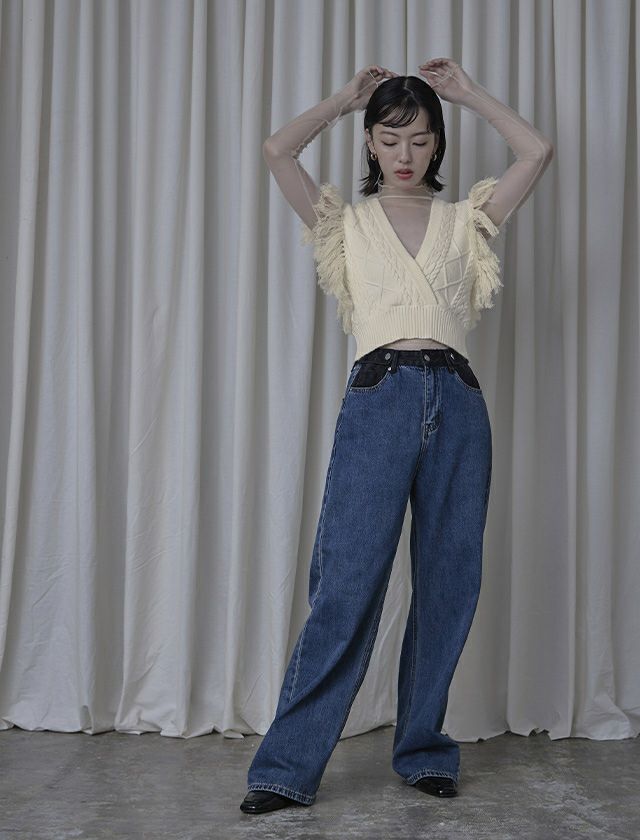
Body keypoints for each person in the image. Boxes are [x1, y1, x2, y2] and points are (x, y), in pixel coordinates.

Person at [241, 59, 554, 814]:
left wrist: (468, 94)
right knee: (347, 583)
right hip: (379, 397)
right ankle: (286, 768)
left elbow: (536, 151)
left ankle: (423, 751)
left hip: (459, 400)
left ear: (438, 142)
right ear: (370, 143)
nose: (405, 153)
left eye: (419, 139)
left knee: (449, 582)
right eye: (389, 138)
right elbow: (277, 150)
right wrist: (342, 99)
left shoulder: (466, 220)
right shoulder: (342, 223)